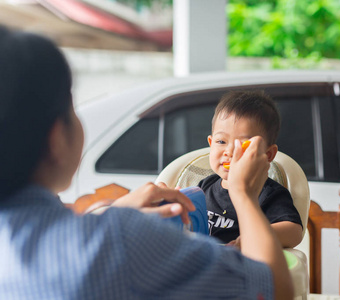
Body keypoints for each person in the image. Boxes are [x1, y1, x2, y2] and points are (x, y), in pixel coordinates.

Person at [0, 27, 293, 299]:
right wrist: (244, 195)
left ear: (268, 153)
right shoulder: (123, 240)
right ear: (56, 139)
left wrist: (110, 214)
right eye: (72, 106)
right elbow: (273, 290)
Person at [199, 90, 303, 248]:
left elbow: (294, 232)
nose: (230, 151)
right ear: (210, 143)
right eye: (221, 141)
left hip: (242, 268)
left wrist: (251, 238)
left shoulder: (268, 194)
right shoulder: (204, 186)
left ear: (267, 155)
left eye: (244, 145)